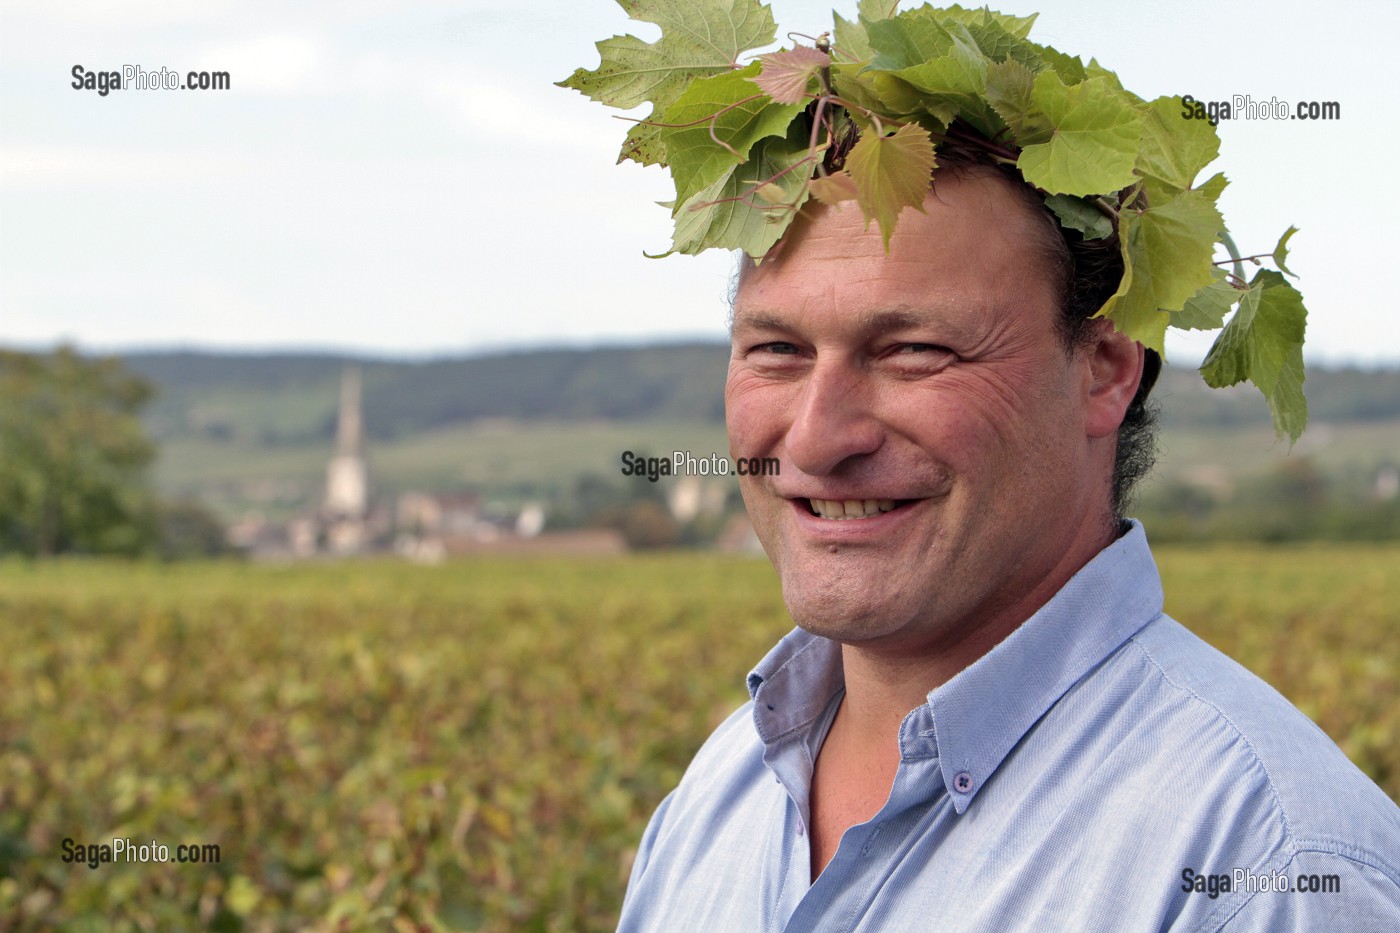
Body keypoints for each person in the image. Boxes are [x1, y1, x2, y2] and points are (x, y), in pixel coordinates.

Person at [615, 154, 1400, 929]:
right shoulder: (717, 793)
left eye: (913, 350)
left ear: (1105, 371)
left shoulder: (1271, 871)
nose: (818, 439)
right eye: (777, 350)